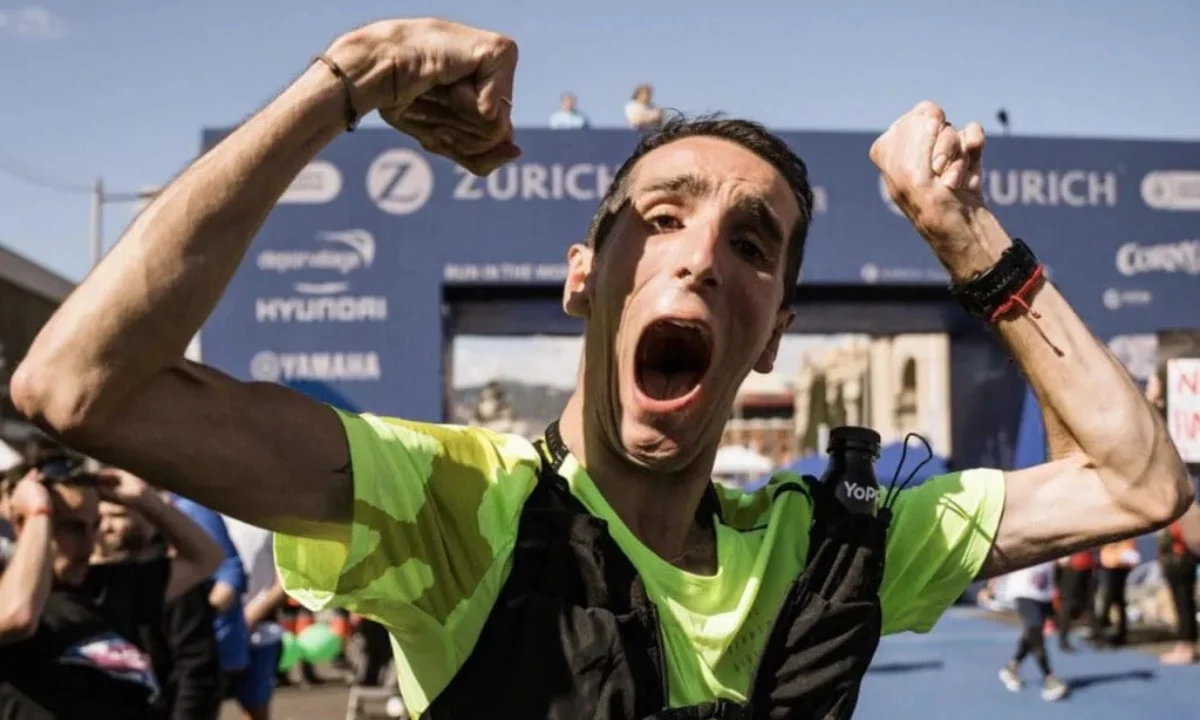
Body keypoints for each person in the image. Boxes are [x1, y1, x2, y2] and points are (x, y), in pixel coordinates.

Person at [10, 16, 1192, 720]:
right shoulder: (454, 505)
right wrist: (350, 78)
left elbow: (1138, 484)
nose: (700, 260)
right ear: (584, 280)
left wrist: (964, 236)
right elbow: (78, 389)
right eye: (661, 219)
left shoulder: (831, 547)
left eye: (751, 245)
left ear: (772, 333)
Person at [0, 463, 222, 719]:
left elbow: (205, 559)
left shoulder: (108, 585)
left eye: (94, 525)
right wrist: (38, 513)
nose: (88, 545)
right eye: (71, 528)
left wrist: (148, 500)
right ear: (21, 524)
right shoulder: (10, 595)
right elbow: (18, 618)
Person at [92, 491, 223, 720]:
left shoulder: (171, 581)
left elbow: (197, 667)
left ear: (147, 520)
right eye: (100, 518)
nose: (106, 527)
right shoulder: (94, 578)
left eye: (117, 516)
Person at [992, 563, 1069, 701]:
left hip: (1044, 591)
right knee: (1036, 629)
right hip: (1024, 590)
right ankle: (1049, 677)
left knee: (1032, 633)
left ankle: (1012, 667)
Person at [1157, 518, 1198, 664]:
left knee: (1183, 605)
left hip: (1180, 560)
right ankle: (1186, 645)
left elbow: (1178, 535)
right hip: (1179, 559)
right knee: (1184, 604)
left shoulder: (1178, 517)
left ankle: (1186, 646)